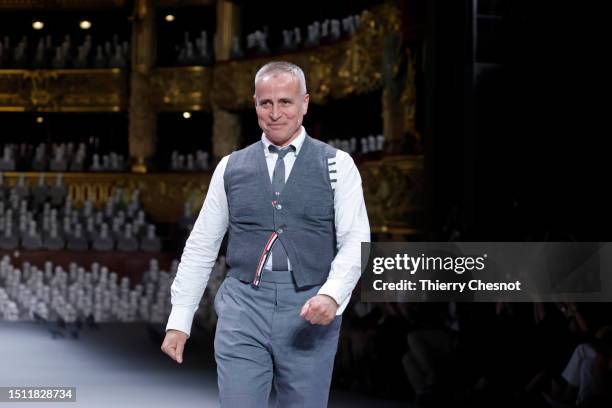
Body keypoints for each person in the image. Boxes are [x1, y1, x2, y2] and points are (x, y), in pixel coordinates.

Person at [161, 61, 370, 407]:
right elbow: (201, 246)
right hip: (243, 306)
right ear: (255, 104)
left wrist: (332, 296)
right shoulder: (230, 167)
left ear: (305, 103)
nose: (275, 113)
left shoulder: (336, 164)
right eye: (265, 103)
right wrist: (179, 320)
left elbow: (356, 240)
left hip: (309, 307)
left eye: (285, 102)